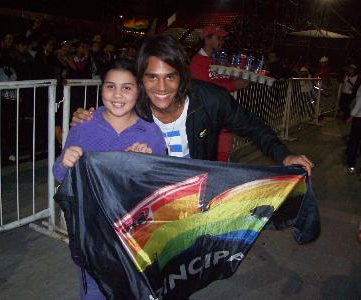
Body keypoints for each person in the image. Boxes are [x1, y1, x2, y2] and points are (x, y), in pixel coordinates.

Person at [72, 34, 313, 174]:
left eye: (170, 76)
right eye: (151, 77)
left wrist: (284, 156)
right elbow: (105, 121)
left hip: (197, 192)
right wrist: (85, 120)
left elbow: (253, 126)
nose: (162, 88)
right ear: (141, 80)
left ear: (182, 76)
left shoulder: (211, 100)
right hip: (150, 197)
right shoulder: (135, 107)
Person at [53, 59, 166, 299]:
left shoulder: (150, 133)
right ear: (101, 88)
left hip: (134, 237)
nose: (117, 95)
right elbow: (60, 175)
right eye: (110, 86)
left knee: (135, 289)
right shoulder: (84, 126)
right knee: (94, 289)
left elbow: (159, 189)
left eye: (127, 87)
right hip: (92, 234)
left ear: (139, 91)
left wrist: (144, 165)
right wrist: (66, 161)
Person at [189, 25, 248, 162]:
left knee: (224, 151)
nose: (222, 41)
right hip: (208, 115)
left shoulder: (221, 61)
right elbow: (205, 89)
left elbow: (230, 77)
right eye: (219, 38)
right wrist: (234, 85)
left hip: (223, 113)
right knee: (210, 153)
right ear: (207, 40)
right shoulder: (197, 62)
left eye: (222, 39)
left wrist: (243, 75)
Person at [345, 85, 361, 175]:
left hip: (359, 118)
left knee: (354, 142)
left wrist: (351, 116)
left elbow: (359, 103)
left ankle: (351, 166)